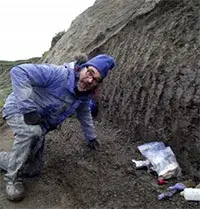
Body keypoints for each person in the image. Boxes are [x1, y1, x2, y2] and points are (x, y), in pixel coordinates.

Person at [0, 53, 116, 201]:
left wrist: (91, 137)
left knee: (34, 169)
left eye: (95, 80)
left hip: (38, 122)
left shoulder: (83, 95)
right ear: (82, 67)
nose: (89, 80)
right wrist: (28, 109)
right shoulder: (57, 74)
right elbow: (19, 72)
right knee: (31, 133)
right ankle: (12, 179)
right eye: (90, 72)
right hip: (18, 108)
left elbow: (85, 115)